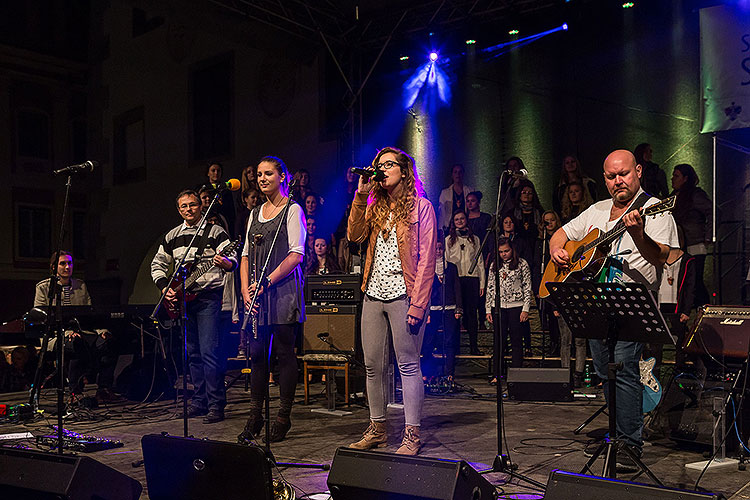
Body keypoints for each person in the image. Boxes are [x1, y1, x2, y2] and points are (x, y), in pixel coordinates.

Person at [549, 149, 678, 469]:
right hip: (597, 300)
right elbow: (563, 233)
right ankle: (617, 435)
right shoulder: (597, 210)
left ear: (638, 172)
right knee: (606, 371)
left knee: (624, 369)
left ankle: (630, 445)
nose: (618, 180)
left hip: (632, 299)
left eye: (624, 173)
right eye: (611, 176)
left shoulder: (655, 210)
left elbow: (662, 257)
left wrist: (637, 233)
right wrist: (555, 247)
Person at [346, 146, 436, 456]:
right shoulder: (373, 205)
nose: (382, 169)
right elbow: (354, 236)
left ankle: (411, 434)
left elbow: (427, 260)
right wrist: (360, 196)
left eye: (389, 164)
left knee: (408, 365)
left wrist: (418, 304)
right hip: (373, 293)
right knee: (372, 367)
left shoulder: (421, 207)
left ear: (404, 170)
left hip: (405, 294)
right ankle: (378, 429)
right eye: (379, 165)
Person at [151, 189, 237, 424]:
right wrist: (163, 286)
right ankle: (199, 401)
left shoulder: (215, 231)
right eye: (183, 206)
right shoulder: (172, 236)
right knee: (192, 353)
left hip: (209, 297)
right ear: (178, 210)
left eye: (192, 205)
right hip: (184, 300)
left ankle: (216, 404)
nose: (188, 209)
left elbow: (234, 257)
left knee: (209, 351)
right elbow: (157, 263)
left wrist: (227, 262)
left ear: (201, 206)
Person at [237, 156, 306, 443]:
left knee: (283, 352)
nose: (262, 178)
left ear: (282, 177)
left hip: (282, 289)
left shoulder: (292, 210)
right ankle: (255, 415)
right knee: (256, 354)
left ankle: (283, 415)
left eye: (268, 174)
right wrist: (245, 290)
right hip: (257, 294)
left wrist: (267, 281)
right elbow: (243, 255)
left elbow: (296, 254)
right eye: (260, 175)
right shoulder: (255, 213)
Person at [34, 251, 119, 400]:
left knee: (109, 343)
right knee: (78, 344)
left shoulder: (80, 286)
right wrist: (66, 333)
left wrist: (101, 331)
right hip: (56, 335)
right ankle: (75, 391)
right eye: (62, 263)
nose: (67, 267)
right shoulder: (43, 288)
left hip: (82, 331)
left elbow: (89, 314)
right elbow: (42, 318)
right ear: (53, 267)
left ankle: (104, 388)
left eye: (70, 263)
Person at [486, 237, 532, 382]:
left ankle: (516, 375)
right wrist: (488, 308)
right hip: (498, 307)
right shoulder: (495, 265)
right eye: (501, 252)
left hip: (516, 307)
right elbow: (490, 287)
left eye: (506, 251)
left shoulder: (522, 264)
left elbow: (527, 286)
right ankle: (497, 375)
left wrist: (526, 308)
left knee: (516, 341)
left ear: (512, 249)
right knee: (499, 341)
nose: (504, 254)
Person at [670, 163, 712, 308]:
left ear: (685, 178)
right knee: (683, 282)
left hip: (695, 244)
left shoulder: (695, 195)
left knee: (696, 282)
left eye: (676, 176)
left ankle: (706, 312)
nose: (672, 179)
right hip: (679, 246)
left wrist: (708, 236)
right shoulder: (674, 196)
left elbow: (713, 211)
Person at [445, 211, 486, 356]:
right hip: (456, 280)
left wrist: (482, 283)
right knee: (456, 313)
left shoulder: (474, 238)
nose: (460, 221)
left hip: (472, 278)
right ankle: (455, 347)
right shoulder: (449, 239)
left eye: (462, 218)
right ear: (453, 222)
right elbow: (447, 260)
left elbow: (479, 261)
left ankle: (474, 347)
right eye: (457, 219)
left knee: (471, 314)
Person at [421, 239, 462, 380]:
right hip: (432, 308)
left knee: (449, 341)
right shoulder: (427, 268)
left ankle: (449, 373)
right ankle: (428, 373)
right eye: (435, 248)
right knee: (428, 341)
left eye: (440, 248)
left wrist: (458, 308)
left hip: (449, 307)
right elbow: (424, 289)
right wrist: (425, 310)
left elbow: (457, 289)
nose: (438, 251)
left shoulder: (451, 267)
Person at [201, 162, 236, 237]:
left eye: (218, 171)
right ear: (208, 173)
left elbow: (231, 213)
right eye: (213, 170)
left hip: (223, 222)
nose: (216, 173)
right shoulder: (203, 189)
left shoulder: (226, 190)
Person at [438, 164, 472, 233]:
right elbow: (442, 213)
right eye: (455, 172)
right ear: (452, 175)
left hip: (466, 226)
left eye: (460, 172)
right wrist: (440, 229)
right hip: (449, 226)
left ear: (463, 174)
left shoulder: (470, 191)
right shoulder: (445, 193)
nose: (458, 174)